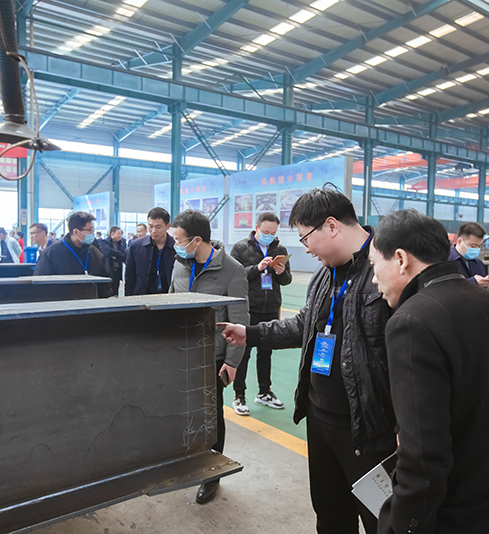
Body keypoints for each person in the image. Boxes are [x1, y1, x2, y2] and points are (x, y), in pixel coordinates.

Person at [219, 186, 395, 534]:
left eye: (305, 238)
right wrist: (249, 333)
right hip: (320, 418)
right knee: (331, 516)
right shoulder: (324, 273)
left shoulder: (386, 269)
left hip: (369, 429)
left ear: (331, 226)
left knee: (383, 520)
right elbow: (303, 325)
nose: (305, 248)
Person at [369, 210, 489, 534]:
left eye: (374, 265)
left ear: (400, 259)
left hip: (461, 515)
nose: (373, 278)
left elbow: (423, 454)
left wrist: (403, 525)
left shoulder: (412, 321)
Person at [169, 209, 249, 505]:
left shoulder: (232, 270)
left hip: (212, 357)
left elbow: (239, 320)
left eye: (179, 240)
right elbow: (169, 302)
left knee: (211, 418)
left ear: (197, 240)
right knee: (184, 413)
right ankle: (189, 462)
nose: (176, 245)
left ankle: (212, 474)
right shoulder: (179, 264)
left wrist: (232, 362)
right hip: (182, 353)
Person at [229, 212, 292, 415]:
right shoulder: (240, 248)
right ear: (256, 228)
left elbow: (287, 280)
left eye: (273, 233)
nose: (269, 236)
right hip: (250, 308)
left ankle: (264, 392)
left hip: (271, 307)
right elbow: (235, 277)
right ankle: (239, 395)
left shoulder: (280, 250)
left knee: (266, 351)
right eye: (265, 232)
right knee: (244, 352)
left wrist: (281, 273)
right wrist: (257, 268)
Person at [34, 212, 110, 296]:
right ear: (76, 231)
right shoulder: (51, 253)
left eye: (93, 230)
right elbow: (40, 285)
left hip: (91, 301)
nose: (92, 233)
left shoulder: (94, 252)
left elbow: (104, 283)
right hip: (62, 302)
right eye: (89, 230)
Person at [125, 207, 176, 296]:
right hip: (142, 296)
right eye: (150, 226)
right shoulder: (136, 246)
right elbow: (129, 277)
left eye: (158, 227)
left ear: (168, 226)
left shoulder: (176, 247)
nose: (153, 231)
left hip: (169, 297)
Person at [448, 222, 489, 287]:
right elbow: (446, 287)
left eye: (479, 246)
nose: (476, 249)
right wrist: (473, 282)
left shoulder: (478, 264)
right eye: (473, 246)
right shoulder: (446, 261)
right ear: (459, 241)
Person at [99, 226, 127, 296]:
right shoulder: (104, 242)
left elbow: (124, 256)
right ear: (112, 234)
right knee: (107, 292)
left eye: (121, 234)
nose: (120, 236)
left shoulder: (121, 244)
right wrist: (119, 254)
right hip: (108, 271)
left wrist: (115, 256)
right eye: (118, 233)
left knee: (115, 292)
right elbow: (107, 252)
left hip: (117, 272)